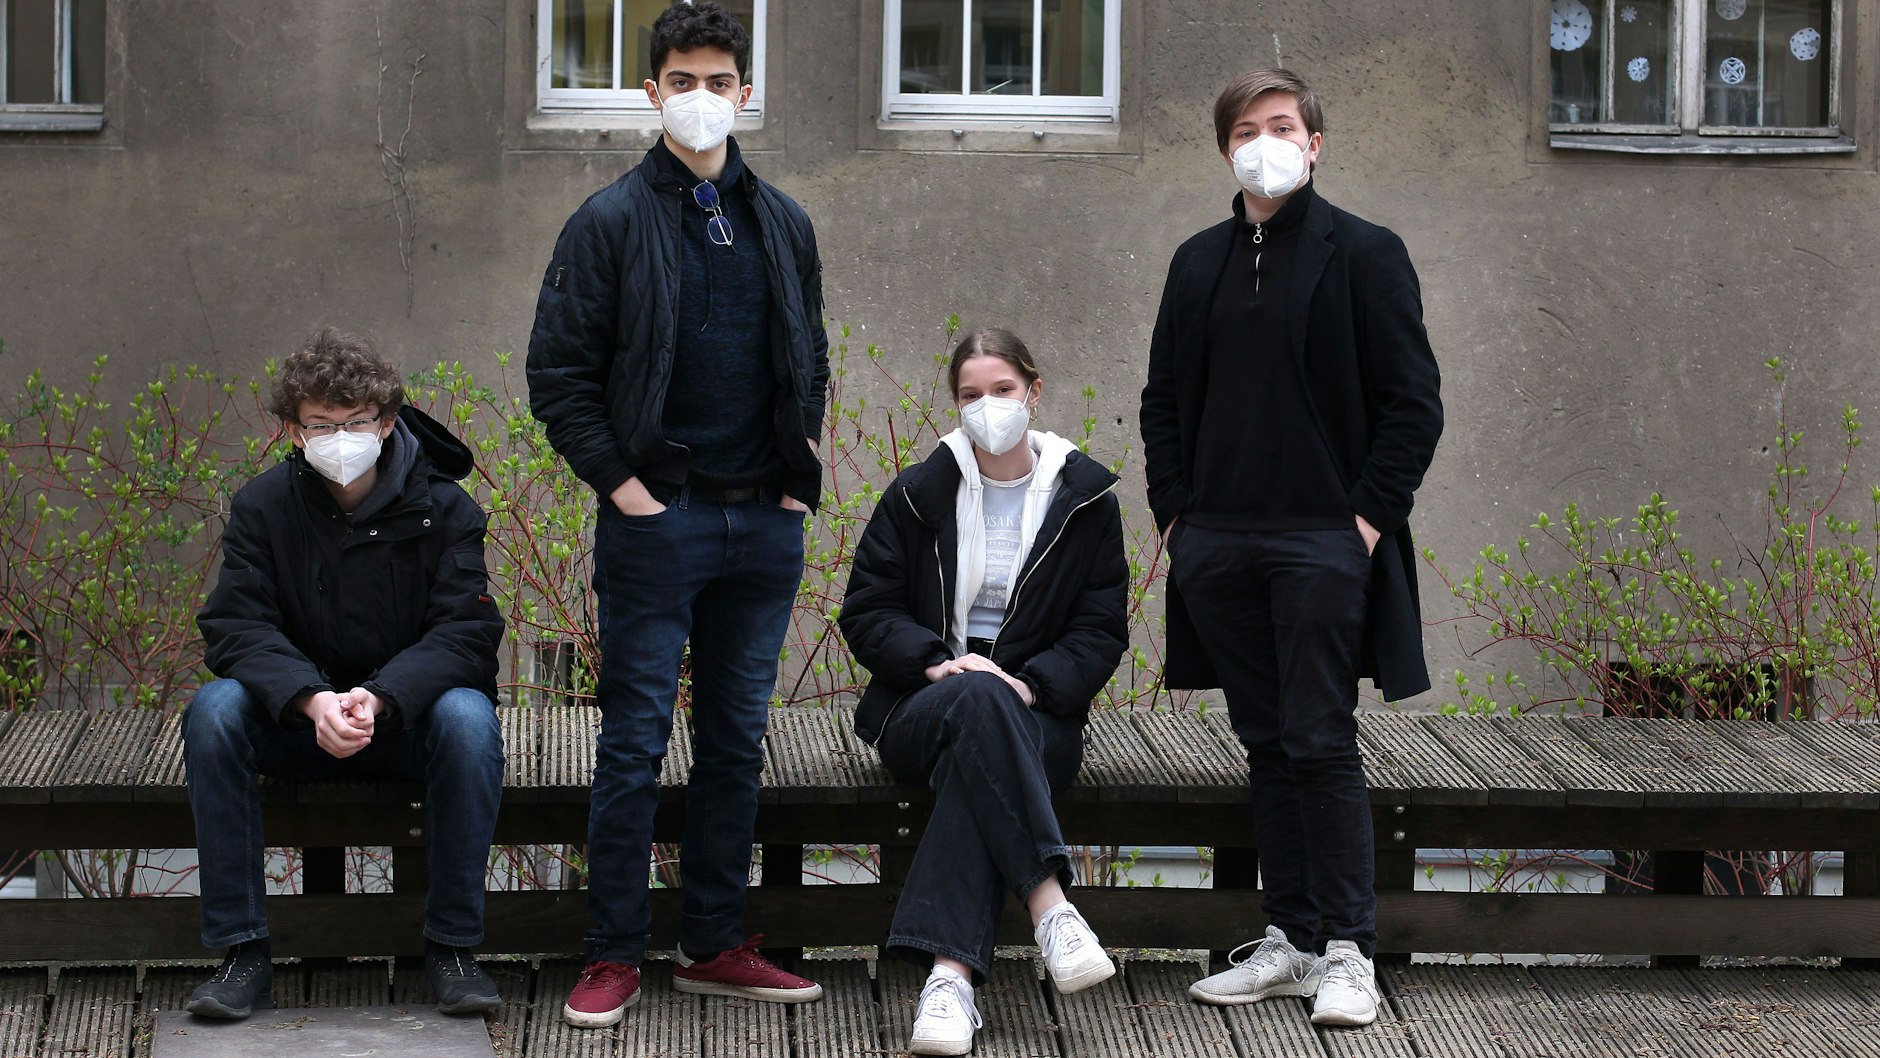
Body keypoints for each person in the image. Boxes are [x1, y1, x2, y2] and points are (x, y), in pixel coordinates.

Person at [525, 0, 829, 1028]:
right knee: (632, 739)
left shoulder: (781, 220)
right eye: (681, 80)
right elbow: (557, 374)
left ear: (746, 94)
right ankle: (611, 950)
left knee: (737, 741)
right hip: (658, 525)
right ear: (650, 91)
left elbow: (809, 354)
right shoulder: (608, 220)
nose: (701, 98)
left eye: (719, 81)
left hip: (762, 524)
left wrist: (798, 474)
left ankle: (711, 940)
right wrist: (625, 490)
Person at [1138, 69, 1443, 1027]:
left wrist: (1361, 520)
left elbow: (1412, 406)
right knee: (1265, 742)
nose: (1264, 140)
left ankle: (1349, 949)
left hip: (1321, 540)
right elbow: (1163, 402)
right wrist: (1178, 521)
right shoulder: (1197, 261)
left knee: (1319, 738)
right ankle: (1291, 940)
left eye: (1282, 125)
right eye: (1245, 128)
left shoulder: (1364, 252)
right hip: (1219, 543)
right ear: (1225, 148)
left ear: (1314, 143)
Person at [184, 327, 507, 1019]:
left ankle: (452, 948)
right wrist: (308, 699)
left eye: (354, 422)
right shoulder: (262, 507)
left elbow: (468, 631)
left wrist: (382, 697)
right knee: (213, 711)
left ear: (386, 423)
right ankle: (241, 954)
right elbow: (235, 625)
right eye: (320, 425)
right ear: (295, 433)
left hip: (406, 722)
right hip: (297, 723)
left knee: (471, 718)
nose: (338, 438)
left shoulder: (446, 508)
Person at [839, 329, 1128, 1056]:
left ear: (1034, 391)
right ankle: (1050, 906)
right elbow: (867, 611)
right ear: (955, 405)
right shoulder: (917, 496)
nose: (988, 407)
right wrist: (939, 664)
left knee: (988, 721)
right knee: (976, 697)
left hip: (1037, 715)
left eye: (1002, 390)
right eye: (971, 395)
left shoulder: (1085, 501)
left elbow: (1100, 632)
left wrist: (1030, 685)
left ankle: (950, 981)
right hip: (922, 708)